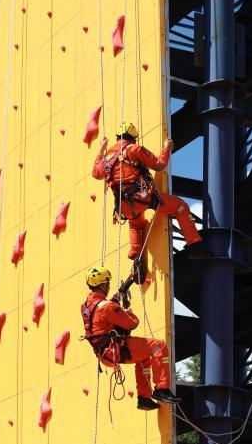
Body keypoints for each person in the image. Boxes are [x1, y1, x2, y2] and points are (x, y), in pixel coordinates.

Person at [91, 122, 205, 263]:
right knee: (180, 206)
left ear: (117, 138)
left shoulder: (106, 159)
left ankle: (136, 257)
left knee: (135, 223)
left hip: (122, 206)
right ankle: (195, 246)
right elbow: (158, 164)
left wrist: (101, 151)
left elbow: (96, 174)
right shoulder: (134, 149)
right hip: (141, 197)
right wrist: (167, 149)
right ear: (133, 138)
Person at [81, 266, 180, 410]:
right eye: (107, 283)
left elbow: (107, 307)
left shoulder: (86, 306)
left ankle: (144, 398)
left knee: (144, 358)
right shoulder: (107, 307)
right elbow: (131, 324)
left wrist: (129, 281)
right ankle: (162, 389)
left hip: (105, 353)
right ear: (103, 285)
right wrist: (128, 311)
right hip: (116, 349)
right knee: (158, 347)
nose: (108, 286)